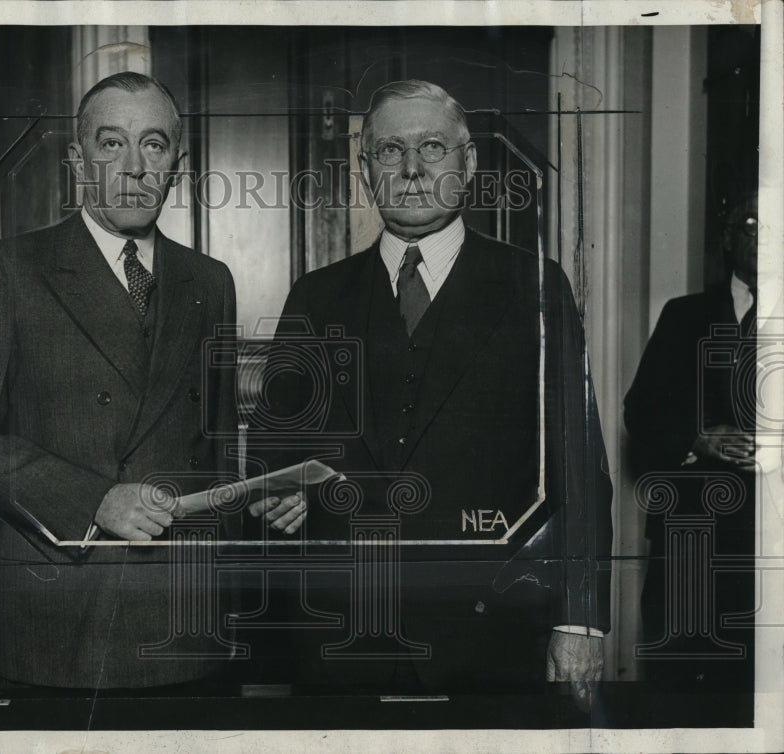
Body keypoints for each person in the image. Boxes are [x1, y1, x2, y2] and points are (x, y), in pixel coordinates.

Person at [250, 80, 613, 703]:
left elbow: (577, 467)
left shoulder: (534, 286)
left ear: (467, 163)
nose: (413, 169)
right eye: (391, 151)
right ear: (367, 170)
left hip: (488, 636)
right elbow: (272, 448)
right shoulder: (317, 295)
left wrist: (578, 618)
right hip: (339, 638)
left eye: (433, 148)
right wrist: (278, 485)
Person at [0, 72, 251, 689]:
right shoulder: (9, 269)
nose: (134, 166)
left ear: (176, 164)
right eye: (111, 144)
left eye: (153, 144)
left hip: (185, 612)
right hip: (59, 608)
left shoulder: (210, 280)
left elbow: (215, 445)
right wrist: (93, 499)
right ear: (79, 161)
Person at [625, 191, 758, 692]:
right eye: (749, 222)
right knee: (677, 688)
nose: (762, 235)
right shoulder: (684, 317)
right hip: (689, 540)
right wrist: (699, 439)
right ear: (727, 238)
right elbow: (639, 409)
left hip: (770, 544)